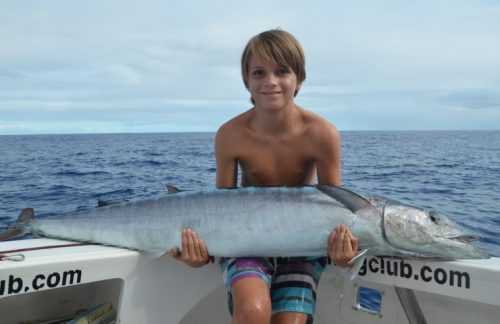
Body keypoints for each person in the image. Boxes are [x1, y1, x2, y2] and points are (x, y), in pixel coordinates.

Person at [170, 29, 359, 324]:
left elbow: (333, 210)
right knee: (253, 311)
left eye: (281, 71)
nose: (270, 81)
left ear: (299, 78)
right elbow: (221, 207)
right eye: (259, 72)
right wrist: (200, 255)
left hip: (303, 246)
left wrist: (343, 255)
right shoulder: (230, 134)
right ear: (247, 80)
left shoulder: (323, 134)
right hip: (246, 242)